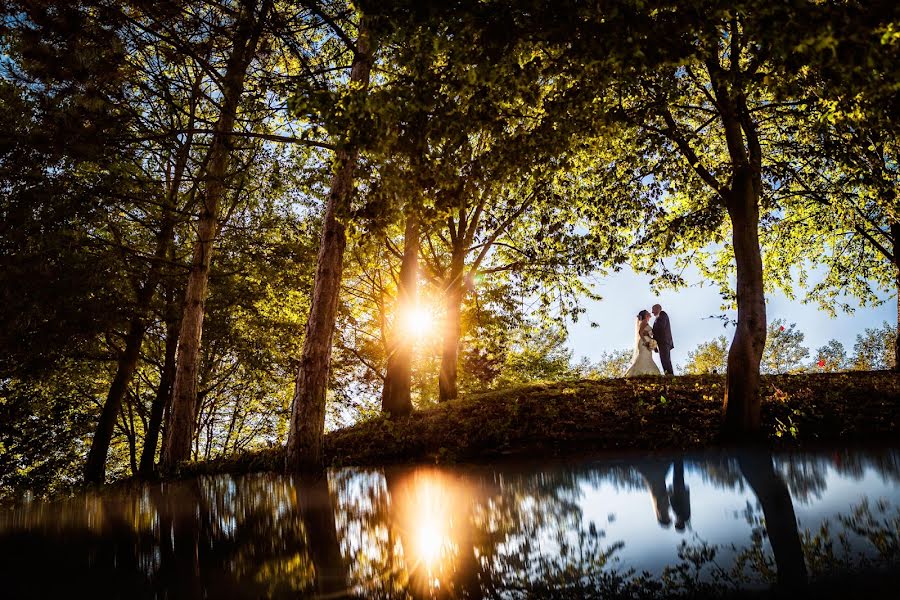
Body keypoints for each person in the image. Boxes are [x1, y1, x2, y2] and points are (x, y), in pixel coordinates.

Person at [624, 310, 661, 377]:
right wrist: (646, 342)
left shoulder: (646, 322)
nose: (650, 313)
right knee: (643, 357)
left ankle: (646, 373)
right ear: (646, 315)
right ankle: (638, 373)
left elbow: (648, 335)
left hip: (647, 341)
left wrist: (653, 345)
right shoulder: (644, 322)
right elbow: (640, 332)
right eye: (648, 313)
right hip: (644, 342)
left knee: (647, 357)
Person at [651, 304, 674, 375]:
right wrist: (654, 345)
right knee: (663, 359)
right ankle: (668, 375)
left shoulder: (663, 314)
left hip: (664, 341)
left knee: (665, 359)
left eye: (653, 309)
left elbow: (660, 327)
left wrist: (651, 332)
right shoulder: (658, 317)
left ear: (658, 308)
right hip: (661, 342)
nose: (652, 312)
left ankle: (670, 375)